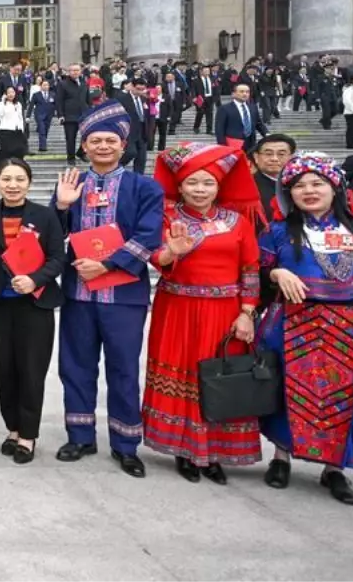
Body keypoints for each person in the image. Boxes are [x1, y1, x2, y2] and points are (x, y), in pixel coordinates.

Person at [258, 154, 353, 505]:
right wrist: (275, 274)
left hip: (346, 326)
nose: (308, 191)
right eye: (299, 186)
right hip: (290, 323)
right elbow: (254, 274)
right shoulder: (277, 231)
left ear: (334, 187)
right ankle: (281, 457)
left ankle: (333, 468)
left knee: (342, 396)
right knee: (286, 391)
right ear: (288, 193)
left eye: (317, 184)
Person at [53, 101, 164, 478]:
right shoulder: (72, 184)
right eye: (95, 140)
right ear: (83, 146)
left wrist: (108, 263)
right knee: (76, 367)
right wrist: (61, 208)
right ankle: (80, 435)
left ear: (123, 144)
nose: (102, 146)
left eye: (110, 140)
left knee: (123, 369)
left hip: (124, 297)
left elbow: (150, 235)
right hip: (79, 295)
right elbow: (53, 236)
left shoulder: (144, 187)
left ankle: (125, 443)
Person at [144, 143, 265, 484]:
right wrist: (171, 251)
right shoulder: (166, 217)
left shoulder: (237, 222)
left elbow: (251, 268)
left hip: (226, 313)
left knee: (220, 380)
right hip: (177, 308)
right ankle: (186, 450)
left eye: (208, 183)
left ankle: (215, 453)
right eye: (192, 183)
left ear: (219, 186)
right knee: (183, 377)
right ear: (180, 185)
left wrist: (247, 313)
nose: (200, 190)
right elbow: (154, 259)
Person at [0, 157, 65, 464]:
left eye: (19, 179)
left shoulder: (45, 217)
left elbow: (57, 259)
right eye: (6, 179)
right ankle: (12, 428)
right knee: (5, 370)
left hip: (35, 305)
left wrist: (34, 279)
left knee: (31, 371)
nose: (13, 185)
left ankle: (28, 435)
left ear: (29, 183)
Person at [251, 134, 297, 220]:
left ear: (292, 158)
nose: (274, 159)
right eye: (268, 154)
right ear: (256, 157)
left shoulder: (300, 185)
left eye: (281, 154)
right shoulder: (246, 186)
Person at [215, 84, 266, 154]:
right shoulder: (224, 109)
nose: (245, 94)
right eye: (241, 91)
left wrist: (267, 134)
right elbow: (219, 128)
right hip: (233, 145)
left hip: (251, 144)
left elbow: (258, 123)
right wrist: (223, 145)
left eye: (247, 92)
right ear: (234, 94)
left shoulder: (253, 107)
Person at [0, 86, 27, 164]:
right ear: (5, 94)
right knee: (5, 150)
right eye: (8, 92)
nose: (11, 94)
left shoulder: (18, 104)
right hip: (5, 130)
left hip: (16, 131)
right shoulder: (0, 104)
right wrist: (3, 102)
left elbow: (20, 118)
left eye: (12, 92)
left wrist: (21, 129)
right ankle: (0, 165)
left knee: (19, 150)